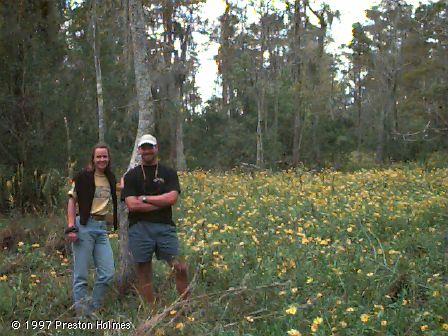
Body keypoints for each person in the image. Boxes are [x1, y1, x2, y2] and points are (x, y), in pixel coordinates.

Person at [122, 134, 188, 304]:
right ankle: (151, 312)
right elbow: (132, 205)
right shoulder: (131, 176)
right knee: (144, 271)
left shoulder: (169, 172)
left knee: (179, 267)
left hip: (165, 227)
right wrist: (161, 202)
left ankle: (185, 307)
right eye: (143, 148)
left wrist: (144, 198)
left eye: (150, 147)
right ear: (139, 150)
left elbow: (172, 198)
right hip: (139, 228)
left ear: (156, 148)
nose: (147, 151)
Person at [66, 143, 117, 316]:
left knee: (107, 273)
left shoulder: (110, 177)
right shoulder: (83, 177)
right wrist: (71, 226)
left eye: (105, 156)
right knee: (81, 276)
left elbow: (120, 187)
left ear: (108, 158)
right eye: (99, 156)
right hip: (84, 226)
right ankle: (82, 316)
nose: (102, 159)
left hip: (102, 229)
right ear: (93, 159)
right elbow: (72, 200)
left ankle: (92, 309)